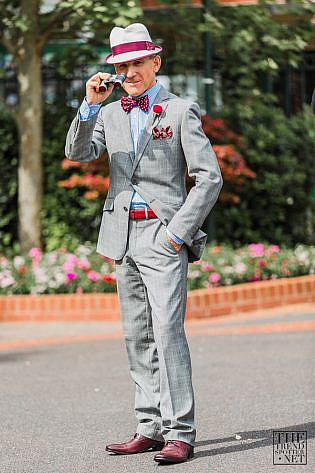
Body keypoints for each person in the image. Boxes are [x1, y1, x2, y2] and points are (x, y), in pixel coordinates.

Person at [65, 22, 223, 464]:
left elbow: (210, 178)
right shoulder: (110, 113)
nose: (130, 71)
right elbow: (77, 154)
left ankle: (181, 432)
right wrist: (88, 106)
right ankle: (149, 427)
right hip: (121, 235)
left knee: (168, 332)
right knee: (137, 335)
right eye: (122, 64)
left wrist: (178, 232)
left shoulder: (178, 110)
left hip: (162, 234)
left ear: (156, 61)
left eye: (137, 62)